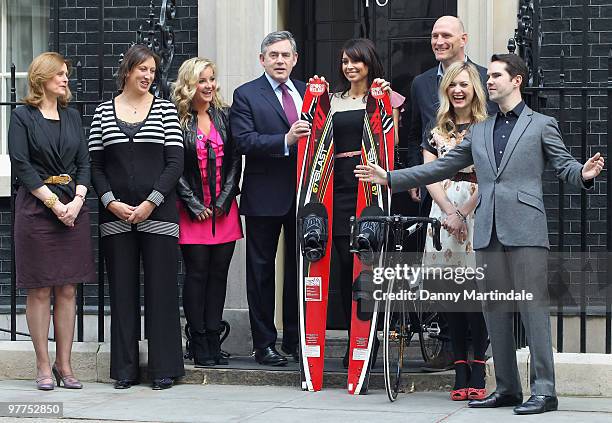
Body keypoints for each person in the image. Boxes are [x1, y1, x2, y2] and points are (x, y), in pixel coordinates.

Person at [355, 54, 604, 415]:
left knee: (533, 310)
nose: (489, 81)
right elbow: (441, 166)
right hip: (487, 228)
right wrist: (390, 177)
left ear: (516, 80)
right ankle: (505, 389)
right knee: (495, 310)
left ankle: (545, 392)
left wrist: (583, 173)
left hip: (526, 227)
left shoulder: (541, 124)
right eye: (490, 76)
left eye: (497, 75)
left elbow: (565, 166)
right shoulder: (480, 130)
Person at [88, 45, 185, 390]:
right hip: (116, 218)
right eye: (142, 69)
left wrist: (150, 202)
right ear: (127, 71)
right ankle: (125, 370)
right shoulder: (102, 112)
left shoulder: (165, 110)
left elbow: (175, 164)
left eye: (153, 72)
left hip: (159, 216)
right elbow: (96, 167)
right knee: (123, 293)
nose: (148, 76)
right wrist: (111, 202)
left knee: (161, 292)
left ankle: (164, 369)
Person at [404, 15, 495, 371]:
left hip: (477, 202)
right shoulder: (421, 83)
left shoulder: (488, 77)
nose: (438, 41)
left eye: (446, 35)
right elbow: (416, 136)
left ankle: (481, 352)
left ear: (463, 39)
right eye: (434, 35)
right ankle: (449, 349)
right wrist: (417, 179)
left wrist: (463, 209)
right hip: (439, 196)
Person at [8, 52, 95, 391]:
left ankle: (65, 364)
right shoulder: (22, 116)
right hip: (36, 209)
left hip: (73, 207)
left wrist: (77, 200)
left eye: (66, 75)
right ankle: (44, 366)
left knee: (69, 287)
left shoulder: (72, 117)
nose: (65, 79)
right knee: (40, 287)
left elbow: (85, 162)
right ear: (42, 78)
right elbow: (21, 163)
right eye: (59, 74)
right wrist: (53, 202)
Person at [230, 31, 308, 366]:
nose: (279, 61)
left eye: (285, 55)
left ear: (294, 59)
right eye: (273, 55)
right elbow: (244, 140)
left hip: (306, 195)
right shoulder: (246, 94)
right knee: (261, 272)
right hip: (264, 195)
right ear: (262, 59)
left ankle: (297, 339)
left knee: (300, 270)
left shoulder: (308, 92)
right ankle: (264, 344)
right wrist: (285, 140)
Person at [327, 38, 401, 368]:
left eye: (356, 61)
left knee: (367, 271)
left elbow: (392, 142)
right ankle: (350, 342)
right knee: (344, 269)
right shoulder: (331, 100)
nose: (349, 67)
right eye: (345, 61)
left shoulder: (385, 97)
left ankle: (368, 341)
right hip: (337, 188)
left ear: (369, 63)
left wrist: (381, 102)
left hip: (369, 188)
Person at [420, 61, 489, 400]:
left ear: (475, 88)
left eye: (464, 84)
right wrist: (449, 211)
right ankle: (459, 368)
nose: (458, 90)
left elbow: (492, 176)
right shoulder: (436, 129)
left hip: (477, 213)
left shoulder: (487, 127)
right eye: (452, 85)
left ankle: (479, 367)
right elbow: (428, 173)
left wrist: (463, 212)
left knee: (475, 297)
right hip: (443, 215)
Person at [173, 57, 243, 366]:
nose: (209, 85)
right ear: (190, 84)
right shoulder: (176, 118)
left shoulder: (225, 116)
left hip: (223, 211)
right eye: (202, 80)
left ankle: (214, 339)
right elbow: (173, 166)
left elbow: (235, 162)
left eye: (212, 79)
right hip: (193, 212)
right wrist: (194, 204)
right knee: (197, 274)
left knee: (219, 276)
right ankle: (198, 340)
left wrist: (224, 200)